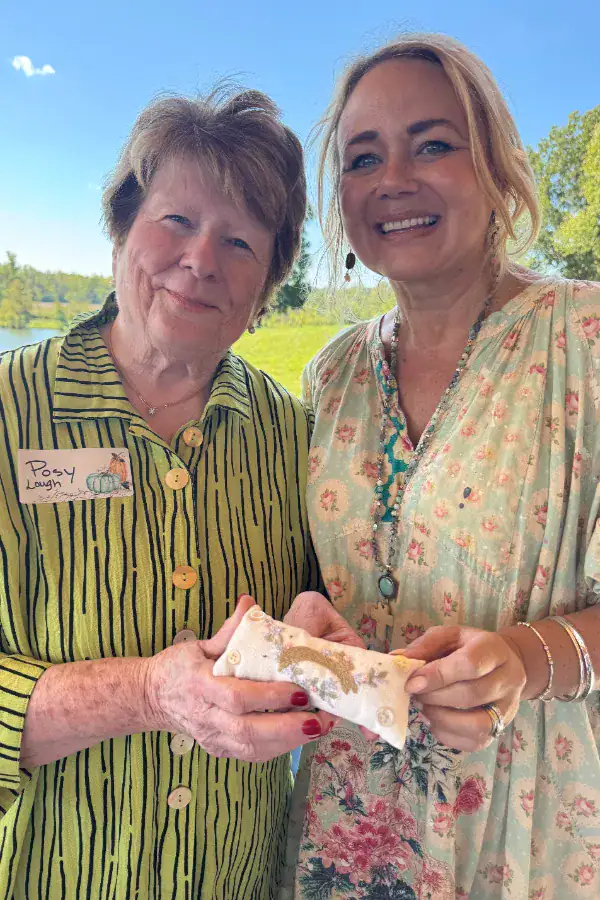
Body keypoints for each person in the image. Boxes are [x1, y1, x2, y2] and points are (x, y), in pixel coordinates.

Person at [0, 87, 339, 899]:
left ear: (268, 286)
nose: (201, 261)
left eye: (240, 242)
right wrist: (149, 692)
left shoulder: (292, 432)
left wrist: (315, 625)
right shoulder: (10, 412)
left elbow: (316, 606)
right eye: (176, 222)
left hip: (240, 876)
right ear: (121, 229)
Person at [283, 33, 600, 899]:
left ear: (496, 165)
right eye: (363, 157)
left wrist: (525, 658)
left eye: (432, 143)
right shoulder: (332, 373)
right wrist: (306, 620)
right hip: (345, 825)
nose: (395, 178)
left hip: (525, 825)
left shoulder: (586, 339)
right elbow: (334, 573)